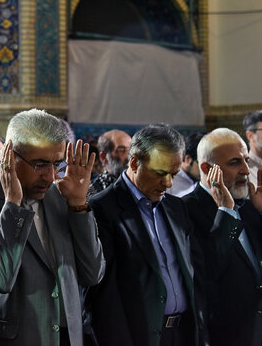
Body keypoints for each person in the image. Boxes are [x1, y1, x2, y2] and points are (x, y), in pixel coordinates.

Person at [0, 108, 105, 346]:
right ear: (9, 155)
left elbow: (92, 273)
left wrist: (78, 205)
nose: (51, 175)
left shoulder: (61, 194)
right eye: (40, 164)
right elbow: (0, 279)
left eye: (57, 163)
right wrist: (12, 206)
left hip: (68, 337)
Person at [87, 124, 207, 346]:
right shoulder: (101, 208)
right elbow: (104, 296)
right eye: (160, 173)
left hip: (184, 334)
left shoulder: (177, 207)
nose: (168, 183)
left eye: (174, 174)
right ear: (134, 162)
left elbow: (192, 273)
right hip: (137, 337)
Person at [182, 128, 262, 346]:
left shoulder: (248, 205)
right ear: (206, 168)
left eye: (246, 160)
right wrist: (226, 214)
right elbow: (207, 271)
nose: (246, 170)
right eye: (235, 162)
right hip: (224, 335)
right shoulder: (185, 210)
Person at [87, 129, 131, 197]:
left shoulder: (141, 187)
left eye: (131, 149)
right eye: (122, 150)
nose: (129, 156)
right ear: (104, 157)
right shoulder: (93, 192)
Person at [167, 132, 204, 197]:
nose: (205, 170)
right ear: (188, 159)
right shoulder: (169, 184)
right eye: (201, 164)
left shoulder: (200, 181)